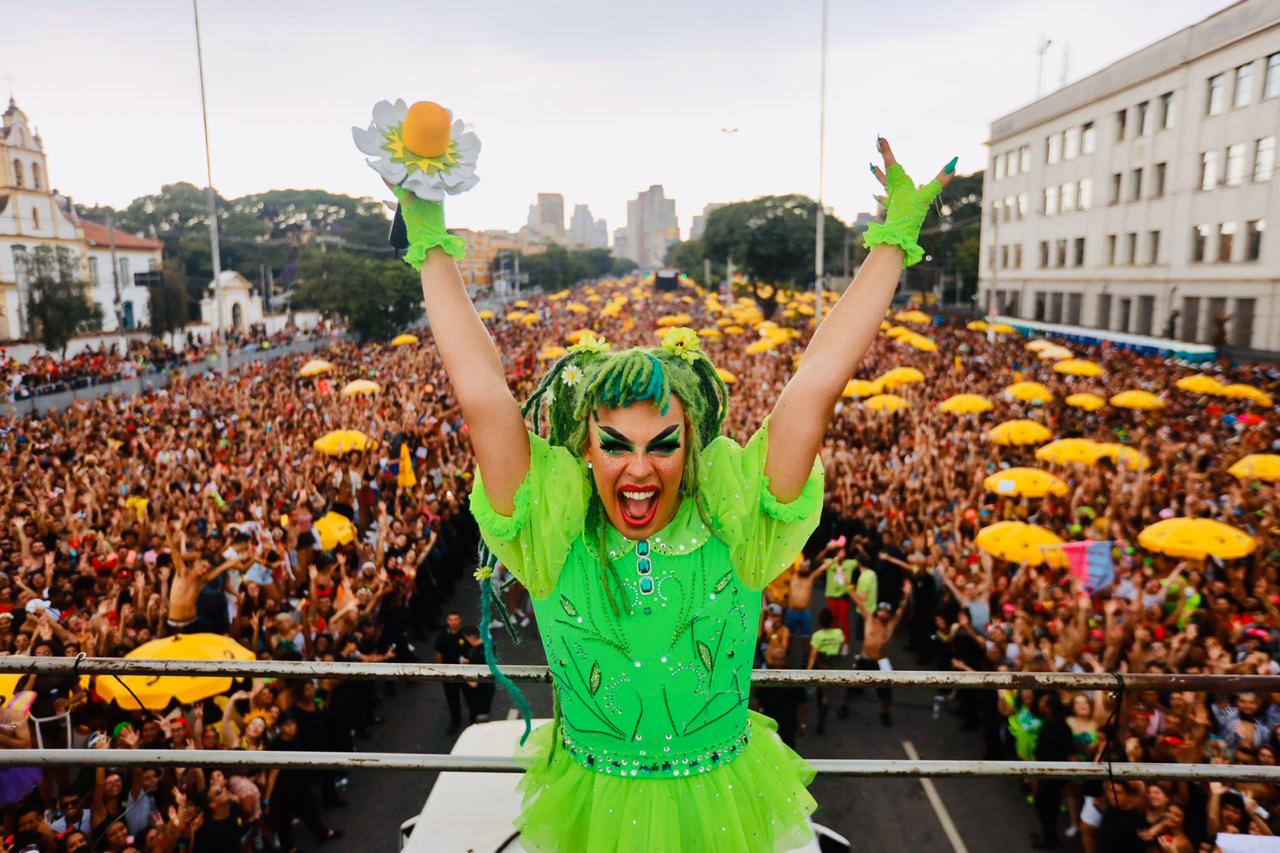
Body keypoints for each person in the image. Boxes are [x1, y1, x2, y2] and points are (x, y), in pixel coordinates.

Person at [397, 134, 955, 851]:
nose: (639, 469)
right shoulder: (552, 532)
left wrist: (892, 243)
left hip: (726, 807)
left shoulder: (740, 528)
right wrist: (429, 241)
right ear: (584, 452)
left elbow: (816, 384)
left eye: (663, 445)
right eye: (616, 446)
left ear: (692, 452)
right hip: (586, 815)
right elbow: (484, 400)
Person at [847, 579, 911, 725]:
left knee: (886, 691)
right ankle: (845, 705)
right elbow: (858, 601)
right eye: (882, 610)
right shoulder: (869, 619)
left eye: (887, 612)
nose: (885, 613)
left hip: (880, 662)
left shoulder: (890, 625)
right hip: (864, 659)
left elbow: (901, 610)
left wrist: (906, 596)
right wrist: (848, 585)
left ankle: (885, 713)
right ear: (878, 611)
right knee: (851, 686)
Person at [433, 611, 466, 733]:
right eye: (451, 620)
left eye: (456, 619)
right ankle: (455, 721)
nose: (453, 622)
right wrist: (438, 671)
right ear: (447, 621)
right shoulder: (442, 637)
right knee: (452, 699)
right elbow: (438, 654)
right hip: (449, 674)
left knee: (470, 694)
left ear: (460, 620)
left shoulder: (465, 635)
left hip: (464, 673)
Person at [460, 625, 495, 723]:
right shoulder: (488, 647)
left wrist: (461, 674)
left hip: (478, 695)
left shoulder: (476, 655)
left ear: (470, 637)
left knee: (477, 718)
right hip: (489, 688)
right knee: (484, 714)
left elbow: (473, 683)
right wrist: (470, 661)